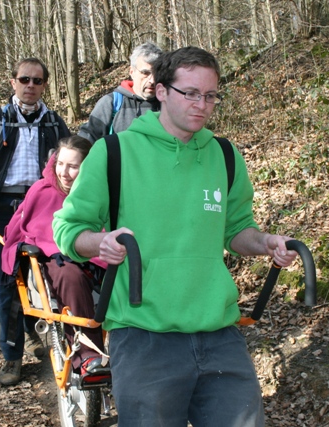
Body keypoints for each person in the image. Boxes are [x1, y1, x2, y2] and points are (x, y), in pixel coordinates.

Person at [53, 46, 298, 426]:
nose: (202, 104)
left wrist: (264, 243)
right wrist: (99, 243)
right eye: (191, 93)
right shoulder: (113, 152)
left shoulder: (225, 156)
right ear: (162, 91)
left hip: (219, 334)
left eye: (211, 95)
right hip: (143, 336)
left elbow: (237, 231)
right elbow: (67, 229)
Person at [0, 57, 70, 386]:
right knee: (8, 283)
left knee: (49, 275)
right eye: (24, 79)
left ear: (45, 85)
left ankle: (39, 330)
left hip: (43, 209)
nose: (30, 86)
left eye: (37, 81)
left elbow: (73, 167)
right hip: (3, 209)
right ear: (13, 82)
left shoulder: (54, 124)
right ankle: (12, 356)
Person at [0, 135, 110, 383]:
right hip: (53, 260)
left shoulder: (100, 192)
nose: (65, 172)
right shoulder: (42, 190)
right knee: (70, 276)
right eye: (61, 164)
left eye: (73, 166)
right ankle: (88, 356)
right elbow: (21, 227)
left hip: (96, 259)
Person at [78, 41, 162, 143]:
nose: (152, 80)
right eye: (145, 73)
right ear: (132, 72)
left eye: (157, 73)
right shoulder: (111, 103)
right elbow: (85, 142)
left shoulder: (168, 105)